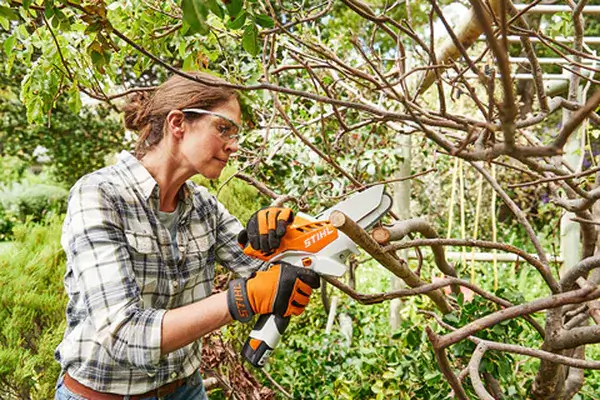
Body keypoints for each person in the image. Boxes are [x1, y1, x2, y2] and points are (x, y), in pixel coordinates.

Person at [54, 71, 320, 400]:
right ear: (178, 123)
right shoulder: (100, 195)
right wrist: (241, 299)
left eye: (236, 134)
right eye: (224, 128)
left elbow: (267, 273)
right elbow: (125, 333)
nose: (233, 146)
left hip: (186, 390)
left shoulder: (203, 206)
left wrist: (282, 239)